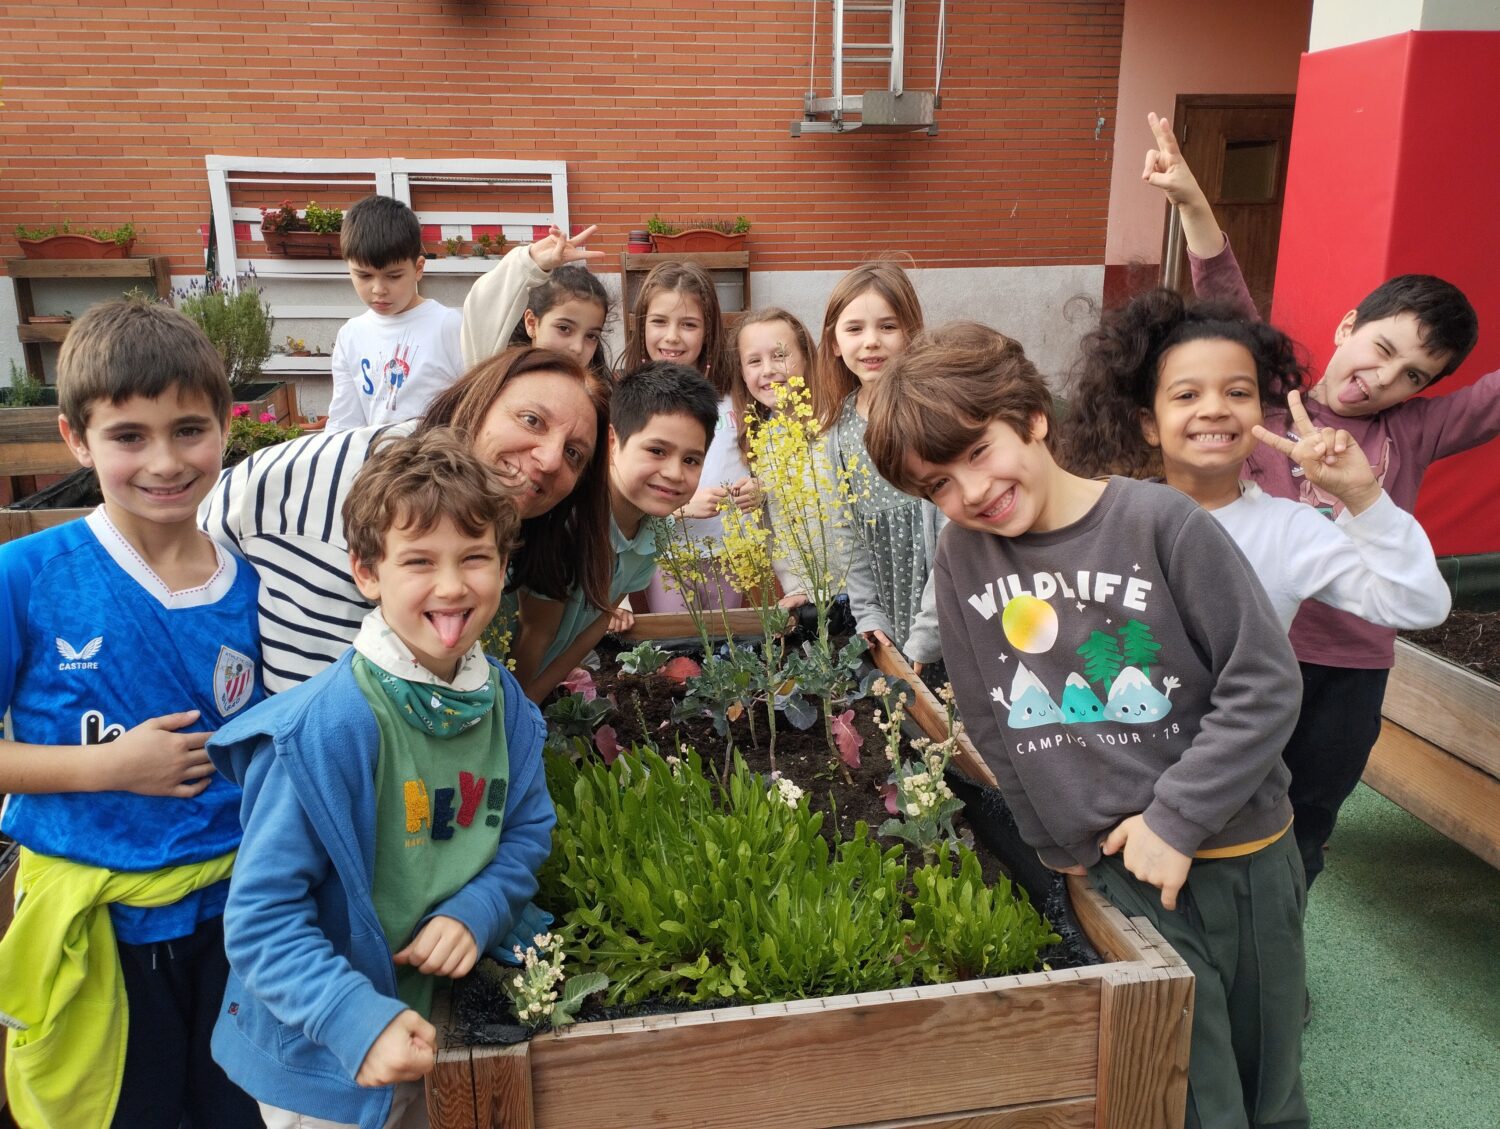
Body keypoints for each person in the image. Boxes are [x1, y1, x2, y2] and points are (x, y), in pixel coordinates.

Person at [864, 322, 1309, 1129]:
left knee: (1265, 1081)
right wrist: (1051, 842)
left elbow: (1265, 682)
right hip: (1113, 872)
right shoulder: (963, 558)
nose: (970, 491)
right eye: (938, 485)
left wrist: (1175, 820)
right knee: (1187, 1088)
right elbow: (991, 717)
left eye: (977, 451)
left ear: (1033, 416)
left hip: (1238, 859)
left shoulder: (1160, 522)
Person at [1144, 111, 1497, 885]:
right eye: (1382, 348)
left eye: (1412, 374)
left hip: (1350, 665)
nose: (1384, 377)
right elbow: (1225, 294)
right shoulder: (1271, 392)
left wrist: (1360, 488)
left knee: (1306, 822)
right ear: (1348, 326)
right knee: (1211, 803)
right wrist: (1193, 202)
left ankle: (1284, 930)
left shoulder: (1418, 428)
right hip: (1252, 646)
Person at [208, 430, 553, 1129]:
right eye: (419, 560)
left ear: (503, 565)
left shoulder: (506, 706)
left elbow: (526, 830)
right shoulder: (324, 731)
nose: (451, 585)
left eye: (475, 557)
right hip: (327, 1059)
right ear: (367, 572)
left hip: (437, 1027)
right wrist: (353, 1018)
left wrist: (478, 908)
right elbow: (262, 919)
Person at [0, 298, 262, 1129]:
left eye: (188, 429)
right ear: (76, 439)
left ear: (225, 426)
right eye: (128, 436)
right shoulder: (26, 575)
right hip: (101, 931)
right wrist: (107, 766)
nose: (164, 461)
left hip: (235, 922)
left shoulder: (256, 584)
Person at [202, 346, 612, 694]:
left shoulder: (462, 497)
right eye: (531, 420)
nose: (550, 459)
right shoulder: (352, 504)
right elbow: (312, 721)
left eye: (574, 453)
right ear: (479, 401)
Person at [1061, 288, 1451, 633]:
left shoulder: (1289, 532)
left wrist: (1363, 495)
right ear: (1150, 424)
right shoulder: (1108, 515)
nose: (1215, 409)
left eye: (1238, 393)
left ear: (1263, 413)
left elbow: (1418, 605)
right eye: (1187, 395)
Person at [510, 361, 718, 699]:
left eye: (691, 460)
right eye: (657, 451)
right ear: (612, 442)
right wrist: (514, 714)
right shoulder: (569, 523)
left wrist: (533, 706)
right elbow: (534, 634)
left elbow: (594, 626)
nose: (674, 473)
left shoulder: (655, 531)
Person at [812, 261, 943, 671]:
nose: (871, 342)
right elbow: (847, 530)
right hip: (889, 602)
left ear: (911, 333)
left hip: (944, 597)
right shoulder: (838, 430)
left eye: (887, 326)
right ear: (834, 343)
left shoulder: (930, 415)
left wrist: (930, 630)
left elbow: (953, 533)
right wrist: (867, 612)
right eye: (854, 329)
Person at [623, 260, 758, 613]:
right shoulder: (633, 399)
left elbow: (763, 459)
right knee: (678, 643)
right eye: (659, 321)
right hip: (666, 556)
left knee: (729, 643)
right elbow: (623, 493)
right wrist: (681, 509)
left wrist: (759, 488)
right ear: (641, 325)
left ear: (708, 330)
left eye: (688, 324)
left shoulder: (737, 393)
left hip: (731, 553)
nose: (672, 336)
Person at [730, 306, 850, 609]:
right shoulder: (762, 439)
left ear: (807, 357)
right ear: (743, 373)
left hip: (859, 591)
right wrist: (760, 494)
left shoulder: (837, 422)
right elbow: (782, 530)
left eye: (780, 355)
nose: (768, 370)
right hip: (808, 597)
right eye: (754, 361)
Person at [326, 195, 464, 432]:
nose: (378, 289)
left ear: (418, 268)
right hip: (378, 455)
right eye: (364, 275)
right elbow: (344, 422)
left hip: (438, 454)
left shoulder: (449, 326)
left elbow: (476, 405)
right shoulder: (350, 335)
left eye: (393, 276)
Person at [460, 223, 612, 381]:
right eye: (564, 328)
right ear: (531, 323)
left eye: (591, 336)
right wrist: (528, 263)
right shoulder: (499, 378)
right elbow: (482, 307)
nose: (578, 348)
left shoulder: (592, 392)